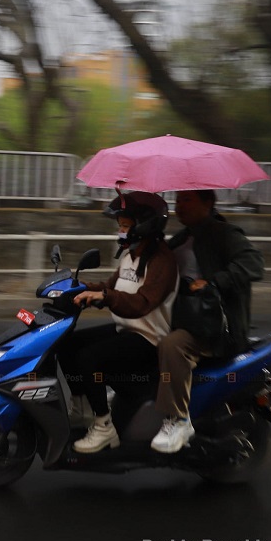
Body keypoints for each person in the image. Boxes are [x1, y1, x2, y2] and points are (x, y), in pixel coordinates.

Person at [62, 191, 178, 454]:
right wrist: (77, 287)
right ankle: (84, 411)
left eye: (126, 225)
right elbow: (110, 287)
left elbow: (141, 302)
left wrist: (104, 296)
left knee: (89, 358)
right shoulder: (130, 254)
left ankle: (104, 428)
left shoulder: (162, 261)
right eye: (120, 226)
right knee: (67, 343)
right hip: (125, 329)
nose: (121, 231)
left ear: (145, 226)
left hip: (149, 339)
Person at [150, 189, 265, 454]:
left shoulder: (223, 234)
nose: (180, 205)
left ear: (209, 202)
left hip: (215, 327)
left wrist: (215, 282)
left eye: (187, 200)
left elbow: (255, 263)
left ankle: (178, 419)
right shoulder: (181, 238)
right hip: (186, 318)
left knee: (172, 345)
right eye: (177, 200)